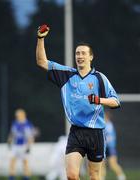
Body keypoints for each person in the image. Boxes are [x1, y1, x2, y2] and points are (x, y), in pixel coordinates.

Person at [36, 24, 120, 180]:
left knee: (94, 177)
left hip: (96, 133)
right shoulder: (66, 75)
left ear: (90, 57)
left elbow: (116, 101)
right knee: (72, 176)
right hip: (76, 132)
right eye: (77, 53)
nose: (79, 56)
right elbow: (42, 62)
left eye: (83, 53)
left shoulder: (100, 78)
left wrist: (99, 100)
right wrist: (40, 39)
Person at [8, 108, 34, 180]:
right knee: (12, 162)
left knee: (25, 163)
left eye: (18, 115)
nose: (17, 117)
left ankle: (26, 178)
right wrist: (9, 142)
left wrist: (29, 146)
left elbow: (30, 136)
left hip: (24, 146)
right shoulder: (15, 123)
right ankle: (11, 178)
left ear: (23, 115)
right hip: (15, 145)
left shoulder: (27, 124)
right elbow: (12, 134)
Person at [101, 110, 126, 180]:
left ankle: (121, 176)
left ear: (107, 117)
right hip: (104, 147)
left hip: (110, 147)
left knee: (113, 164)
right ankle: (101, 177)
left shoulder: (108, 125)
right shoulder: (104, 124)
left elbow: (109, 138)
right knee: (102, 165)